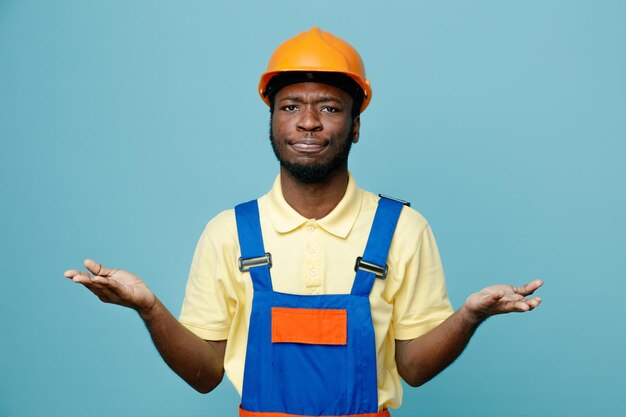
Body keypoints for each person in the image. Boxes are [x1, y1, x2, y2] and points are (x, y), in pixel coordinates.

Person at [64, 27, 542, 417]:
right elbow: (206, 374)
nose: (308, 122)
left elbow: (413, 368)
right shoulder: (229, 232)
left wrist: (469, 315)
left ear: (355, 125)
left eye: (330, 108)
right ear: (271, 122)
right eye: (290, 106)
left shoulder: (402, 229)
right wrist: (149, 308)